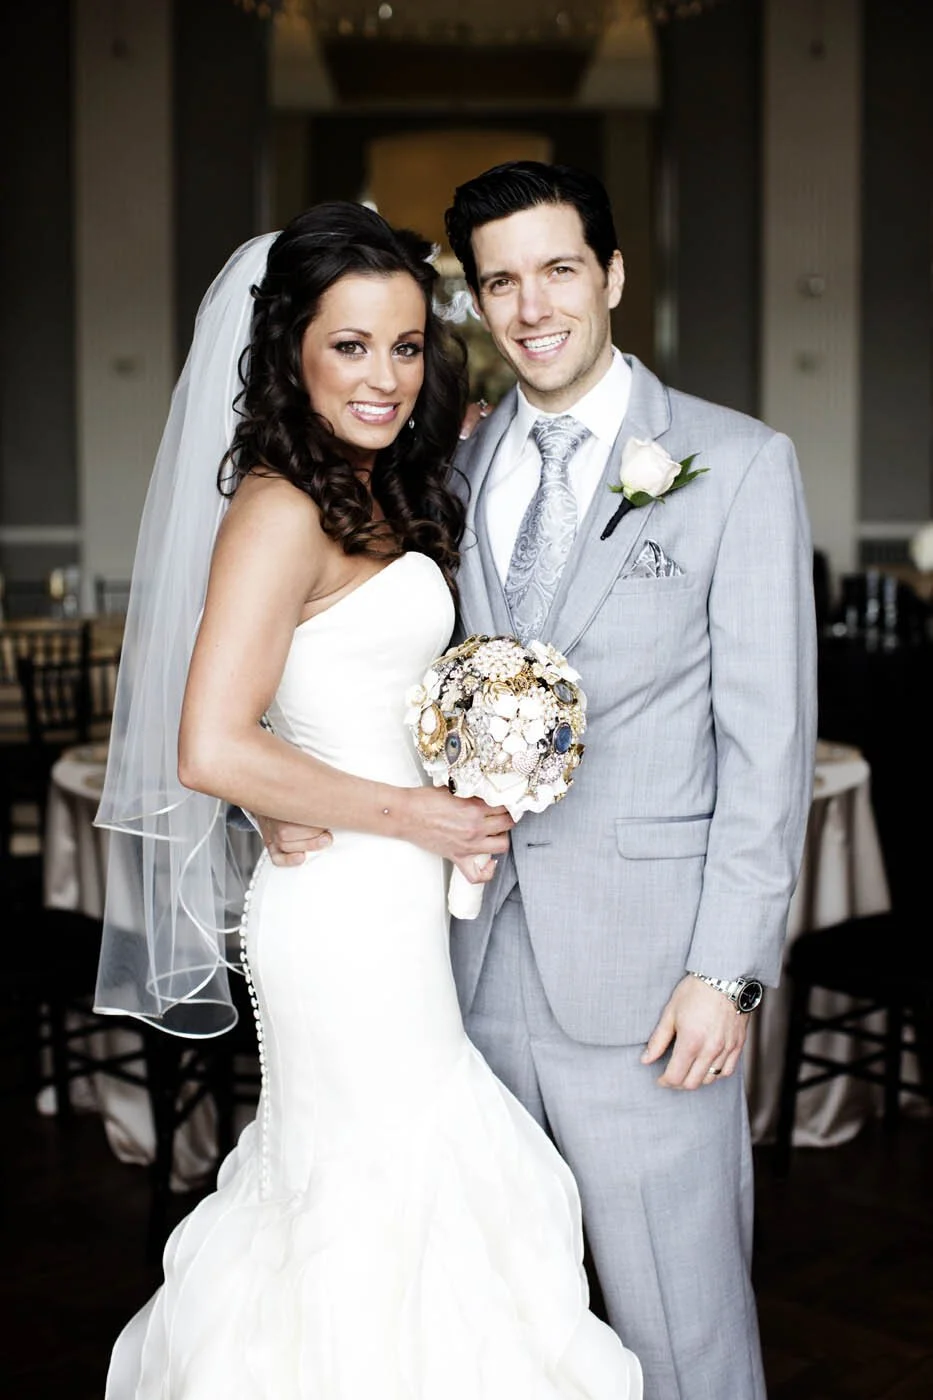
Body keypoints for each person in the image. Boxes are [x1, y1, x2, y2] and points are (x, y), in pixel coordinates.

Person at [265, 162, 818, 1399]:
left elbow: (768, 750)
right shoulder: (440, 467)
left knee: (683, 1326)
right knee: (501, 1328)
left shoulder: (734, 463)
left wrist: (726, 970)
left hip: (650, 983)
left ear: (613, 275)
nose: (531, 306)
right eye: (498, 279)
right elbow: (345, 669)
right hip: (456, 970)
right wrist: (269, 787)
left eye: (559, 268)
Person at [93, 200, 643, 1398]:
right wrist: (413, 815)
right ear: (290, 345)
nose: (385, 376)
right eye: (351, 346)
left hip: (397, 897)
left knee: (402, 1184)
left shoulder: (382, 483)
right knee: (376, 1188)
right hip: (341, 914)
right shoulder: (280, 505)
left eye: (406, 345)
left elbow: (328, 697)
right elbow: (207, 743)